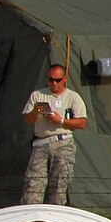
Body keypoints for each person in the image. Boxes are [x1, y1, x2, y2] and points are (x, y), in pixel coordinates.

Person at [22, 63, 87, 204]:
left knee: (59, 184)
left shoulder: (73, 97)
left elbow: (82, 123)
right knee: (34, 183)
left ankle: (56, 219)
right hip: (41, 142)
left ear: (65, 79)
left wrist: (61, 120)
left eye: (57, 80)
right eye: (51, 79)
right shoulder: (38, 95)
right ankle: (30, 217)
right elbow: (27, 119)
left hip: (63, 141)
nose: (54, 83)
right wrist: (36, 111)